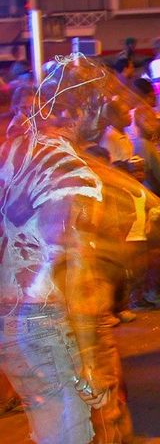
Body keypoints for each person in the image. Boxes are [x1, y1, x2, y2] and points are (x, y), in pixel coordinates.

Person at [0, 56, 124, 444]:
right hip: (44, 322)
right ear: (83, 107)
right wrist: (92, 359)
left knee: (47, 423)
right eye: (102, 106)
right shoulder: (72, 174)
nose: (106, 120)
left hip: (8, 319)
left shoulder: (12, 151)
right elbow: (74, 270)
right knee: (67, 434)